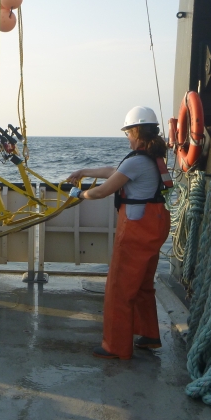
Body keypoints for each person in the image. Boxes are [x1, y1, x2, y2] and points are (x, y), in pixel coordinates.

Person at [67, 106, 172, 360]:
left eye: (128, 132)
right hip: (155, 225)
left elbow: (103, 191)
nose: (127, 137)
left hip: (137, 230)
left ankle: (115, 346)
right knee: (143, 284)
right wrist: (84, 172)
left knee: (119, 287)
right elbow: (111, 171)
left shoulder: (137, 161)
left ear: (135, 132)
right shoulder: (151, 158)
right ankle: (149, 335)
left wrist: (79, 194)